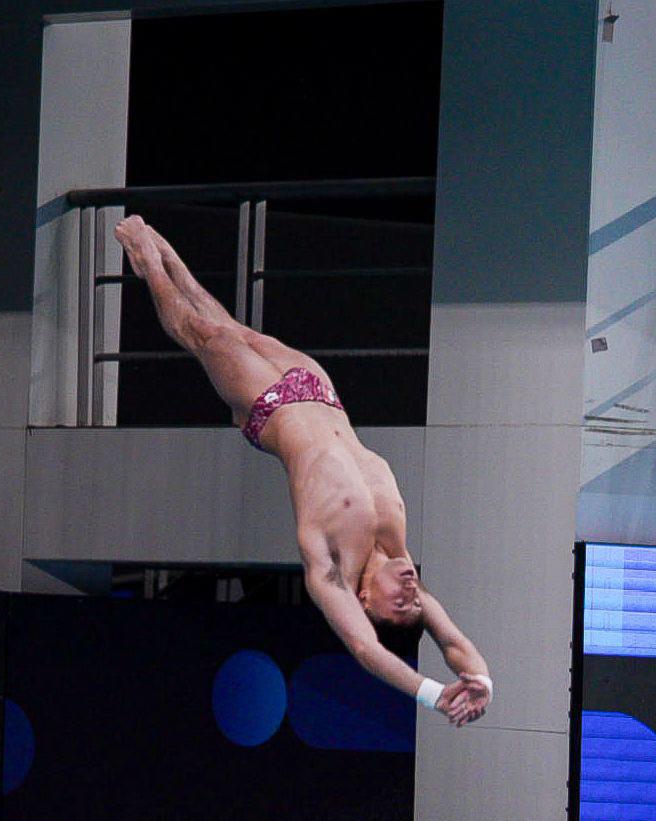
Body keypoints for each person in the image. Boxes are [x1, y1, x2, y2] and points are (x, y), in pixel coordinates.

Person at [113, 216, 492, 727]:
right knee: (230, 328)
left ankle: (144, 259)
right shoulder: (398, 558)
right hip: (321, 392)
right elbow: (455, 642)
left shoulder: (331, 570)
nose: (412, 592)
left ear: (363, 598)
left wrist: (429, 693)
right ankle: (165, 251)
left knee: (200, 333)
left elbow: (362, 646)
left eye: (400, 604)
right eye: (414, 601)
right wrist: (480, 681)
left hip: (269, 409)